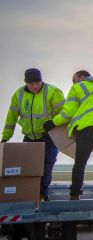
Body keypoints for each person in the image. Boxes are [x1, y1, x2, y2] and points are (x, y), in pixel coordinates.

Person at [48, 70, 93, 200]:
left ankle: (75, 194)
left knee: (80, 161)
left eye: (74, 79)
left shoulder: (77, 87)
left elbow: (68, 112)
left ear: (81, 77)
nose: (73, 82)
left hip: (89, 126)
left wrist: (53, 122)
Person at [3, 68, 65, 200]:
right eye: (32, 84)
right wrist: (5, 137)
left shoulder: (53, 92)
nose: (35, 86)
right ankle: (27, 194)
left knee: (46, 166)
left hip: (48, 136)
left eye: (38, 82)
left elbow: (64, 114)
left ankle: (41, 195)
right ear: (26, 83)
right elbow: (11, 117)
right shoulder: (18, 94)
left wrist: (53, 123)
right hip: (30, 137)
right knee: (27, 167)